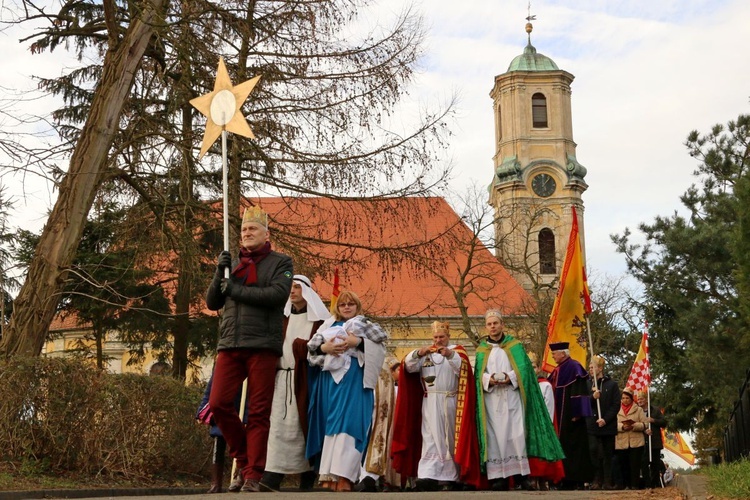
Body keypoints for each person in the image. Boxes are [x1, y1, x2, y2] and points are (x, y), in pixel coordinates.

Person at [205, 206, 294, 493]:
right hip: (230, 344)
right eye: (244, 230)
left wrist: (235, 289)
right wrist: (219, 273)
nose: (247, 233)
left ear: (266, 234)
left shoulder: (281, 263)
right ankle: (244, 459)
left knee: (257, 413)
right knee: (218, 404)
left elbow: (276, 296)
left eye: (252, 229)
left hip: (262, 347)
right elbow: (212, 303)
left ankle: (254, 474)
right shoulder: (233, 265)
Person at [305, 290, 388, 492]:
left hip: (355, 378)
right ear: (337, 308)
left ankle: (345, 476)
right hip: (332, 380)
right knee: (332, 425)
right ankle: (329, 476)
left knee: (350, 425)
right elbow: (311, 351)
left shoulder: (364, 323)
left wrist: (358, 342)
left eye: (351, 303)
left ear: (357, 306)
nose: (347, 307)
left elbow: (382, 338)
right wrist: (326, 349)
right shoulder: (328, 325)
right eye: (343, 305)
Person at [475, 310, 565, 491]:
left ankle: (521, 476)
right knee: (495, 437)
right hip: (492, 402)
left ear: (502, 324)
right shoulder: (481, 350)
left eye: (496, 323)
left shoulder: (515, 346)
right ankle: (499, 477)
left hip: (513, 397)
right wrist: (488, 379)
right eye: (489, 324)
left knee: (516, 435)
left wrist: (510, 377)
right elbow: (478, 375)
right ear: (486, 327)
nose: (493, 327)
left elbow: (524, 371)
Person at [259, 275, 330, 492]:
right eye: (290, 288)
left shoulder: (319, 322)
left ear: (307, 291)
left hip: (305, 379)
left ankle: (307, 472)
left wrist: (303, 348)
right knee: (277, 426)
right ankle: (273, 473)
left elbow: (319, 349)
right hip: (281, 378)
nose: (293, 291)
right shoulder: (281, 318)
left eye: (297, 287)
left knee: (302, 426)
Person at [392, 321, 481, 492]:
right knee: (430, 437)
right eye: (435, 337)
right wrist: (418, 353)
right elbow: (408, 368)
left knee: (448, 438)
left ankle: (450, 476)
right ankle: (428, 475)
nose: (438, 340)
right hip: (430, 400)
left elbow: (463, 370)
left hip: (450, 400)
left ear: (448, 337)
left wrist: (449, 355)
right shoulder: (427, 354)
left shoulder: (457, 351)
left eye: (442, 337)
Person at [548, 341, 594, 489]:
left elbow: (579, 391)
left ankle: (575, 480)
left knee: (575, 448)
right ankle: (563, 478)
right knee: (564, 446)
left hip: (571, 416)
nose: (553, 356)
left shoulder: (574, 367)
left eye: (554, 353)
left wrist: (577, 412)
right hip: (559, 416)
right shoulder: (557, 369)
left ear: (562, 353)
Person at [354, 355, 400, 492]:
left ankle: (369, 476)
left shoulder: (386, 358)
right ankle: (365, 476)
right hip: (368, 398)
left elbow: (398, 369)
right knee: (367, 438)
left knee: (375, 436)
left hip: (377, 400)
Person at [586, 355, 620, 490]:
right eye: (589, 367)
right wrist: (592, 397)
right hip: (592, 424)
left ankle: (607, 481)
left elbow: (616, 405)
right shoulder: (587, 384)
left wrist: (605, 419)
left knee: (607, 454)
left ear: (600, 368)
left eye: (592, 367)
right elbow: (584, 402)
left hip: (607, 424)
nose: (590, 369)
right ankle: (596, 478)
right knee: (593, 450)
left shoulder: (612, 385)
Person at [527, 352, 556, 491]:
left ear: (538, 368)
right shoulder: (524, 385)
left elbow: (549, 405)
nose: (531, 370)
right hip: (528, 423)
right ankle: (532, 478)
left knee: (542, 453)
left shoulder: (545, 385)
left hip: (542, 424)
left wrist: (547, 425)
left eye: (533, 367)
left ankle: (543, 479)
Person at [615, 387, 647, 489]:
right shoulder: (616, 410)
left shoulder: (639, 410)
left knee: (635, 465)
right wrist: (622, 427)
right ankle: (625, 485)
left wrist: (634, 426)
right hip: (621, 442)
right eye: (623, 398)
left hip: (636, 442)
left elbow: (645, 424)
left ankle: (635, 485)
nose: (625, 400)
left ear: (631, 399)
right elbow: (612, 425)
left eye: (627, 398)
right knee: (623, 465)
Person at [636, 390, 668, 488]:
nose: (639, 401)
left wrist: (653, 420)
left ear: (646, 400)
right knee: (643, 463)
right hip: (641, 441)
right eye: (638, 399)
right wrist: (644, 430)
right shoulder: (636, 411)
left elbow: (664, 422)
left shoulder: (655, 410)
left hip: (654, 441)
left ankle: (655, 483)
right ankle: (647, 484)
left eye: (641, 399)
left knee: (655, 464)